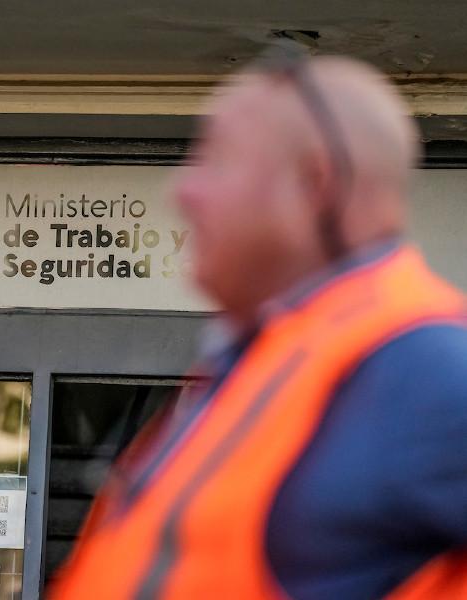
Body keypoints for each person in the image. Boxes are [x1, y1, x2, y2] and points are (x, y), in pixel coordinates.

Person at [50, 53, 467, 599]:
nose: (184, 192)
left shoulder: (425, 367)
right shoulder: (263, 362)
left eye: (217, 162)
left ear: (316, 184)